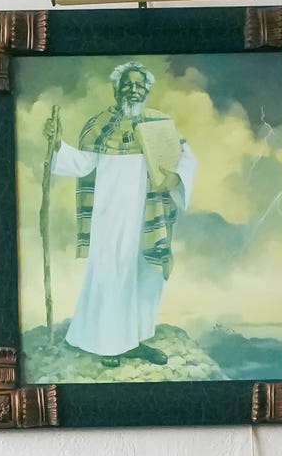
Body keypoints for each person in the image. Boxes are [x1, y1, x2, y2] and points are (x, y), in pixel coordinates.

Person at [44, 62, 197, 360]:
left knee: (146, 275)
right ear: (116, 89)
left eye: (140, 85)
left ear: (148, 90)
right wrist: (56, 144)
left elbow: (186, 157)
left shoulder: (160, 124)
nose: (133, 89)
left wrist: (175, 177)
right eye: (127, 84)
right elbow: (82, 164)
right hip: (110, 216)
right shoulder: (99, 125)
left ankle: (135, 341)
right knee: (111, 274)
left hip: (149, 215)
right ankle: (107, 344)